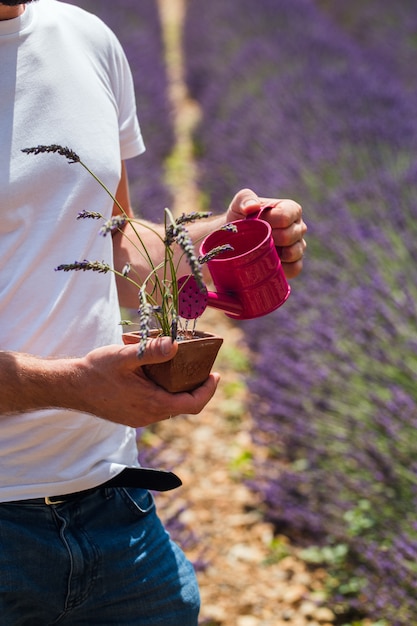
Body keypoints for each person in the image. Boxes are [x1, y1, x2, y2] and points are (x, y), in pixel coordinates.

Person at [0, 1, 307, 624]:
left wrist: (220, 246)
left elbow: (108, 239)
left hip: (114, 509)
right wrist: (72, 387)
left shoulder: (84, 39)